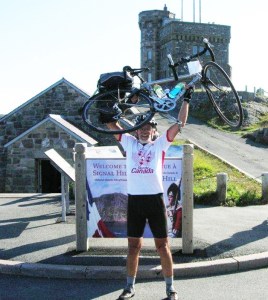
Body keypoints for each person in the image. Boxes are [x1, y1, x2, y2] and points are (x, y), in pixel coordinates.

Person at [105, 88, 192, 300]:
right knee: (133, 246)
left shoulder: (160, 144)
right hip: (134, 201)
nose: (145, 131)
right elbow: (110, 122)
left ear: (154, 131)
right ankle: (129, 287)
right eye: (141, 127)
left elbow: (180, 124)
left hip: (155, 201)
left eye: (149, 127)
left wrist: (186, 99)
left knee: (162, 246)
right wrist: (129, 101)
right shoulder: (128, 143)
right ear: (136, 131)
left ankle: (170, 288)